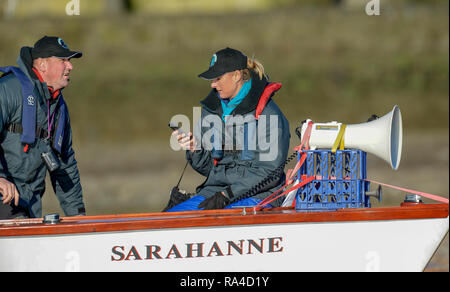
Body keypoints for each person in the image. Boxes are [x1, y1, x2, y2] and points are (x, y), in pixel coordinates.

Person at [164, 47, 290, 211]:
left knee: (203, 218)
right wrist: (196, 149)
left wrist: (226, 196)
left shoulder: (269, 114)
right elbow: (209, 168)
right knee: (172, 217)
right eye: (212, 79)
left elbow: (269, 172)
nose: (213, 84)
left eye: (217, 78)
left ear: (237, 75)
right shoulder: (211, 109)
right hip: (214, 192)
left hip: (258, 196)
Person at [0, 36, 85, 219]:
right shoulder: (8, 90)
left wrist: (79, 217)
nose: (70, 67)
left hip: (29, 205)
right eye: (63, 60)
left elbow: (65, 167)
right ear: (42, 65)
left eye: (69, 61)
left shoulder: (58, 107)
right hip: (4, 200)